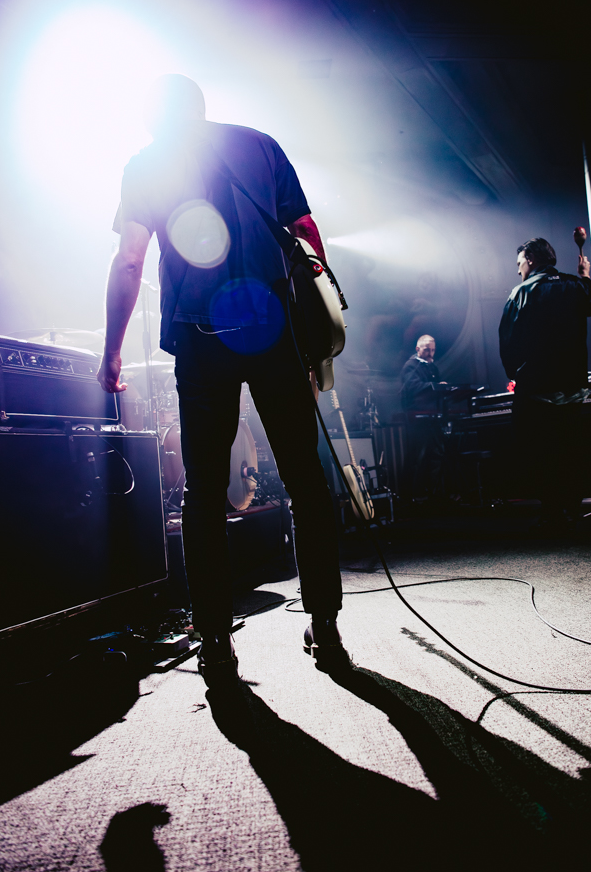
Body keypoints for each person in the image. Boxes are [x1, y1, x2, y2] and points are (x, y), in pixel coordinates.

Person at [97, 74, 347, 684]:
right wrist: (314, 336)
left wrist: (112, 351)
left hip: (201, 335)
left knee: (204, 492)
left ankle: (215, 643)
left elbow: (130, 260)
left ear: (156, 116)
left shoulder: (146, 163)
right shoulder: (259, 144)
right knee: (305, 479)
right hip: (274, 331)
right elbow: (307, 239)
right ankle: (326, 626)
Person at [499, 236, 591, 523]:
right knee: (570, 449)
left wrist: (517, 374)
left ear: (531, 259)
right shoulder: (575, 285)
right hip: (573, 387)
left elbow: (507, 341)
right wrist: (585, 276)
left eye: (519, 262)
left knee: (538, 451)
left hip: (537, 388)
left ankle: (552, 510)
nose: (518, 269)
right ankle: (571, 508)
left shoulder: (521, 292)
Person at [400, 335, 448, 502]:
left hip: (432, 417)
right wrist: (436, 387)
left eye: (433, 350)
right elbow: (414, 387)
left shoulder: (432, 367)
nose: (431, 353)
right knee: (418, 457)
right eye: (427, 350)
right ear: (417, 349)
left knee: (436, 455)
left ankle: (434, 494)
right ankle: (413, 497)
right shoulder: (410, 366)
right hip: (417, 419)